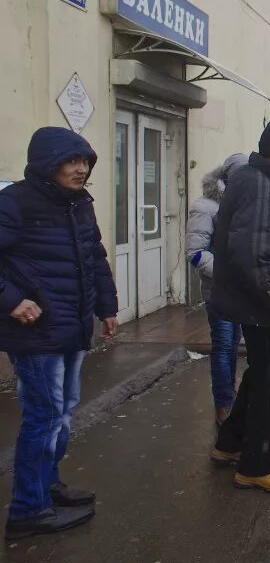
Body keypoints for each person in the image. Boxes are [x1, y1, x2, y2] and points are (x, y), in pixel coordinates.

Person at [0, 127, 118, 540]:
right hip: (34, 332)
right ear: (47, 164)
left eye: (85, 162)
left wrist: (107, 307)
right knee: (43, 417)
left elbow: (95, 257)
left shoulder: (78, 204)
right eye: (71, 162)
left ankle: (47, 487)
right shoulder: (15, 203)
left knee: (62, 412)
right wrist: (11, 300)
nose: (80, 169)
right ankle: (28, 510)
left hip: (71, 324)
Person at [209, 119, 270, 492]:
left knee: (258, 374)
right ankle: (256, 465)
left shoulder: (252, 179)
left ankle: (229, 444)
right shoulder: (261, 186)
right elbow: (253, 253)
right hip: (257, 303)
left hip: (243, 300)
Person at [186, 154, 248, 425]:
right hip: (219, 290)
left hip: (243, 292)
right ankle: (224, 404)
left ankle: (230, 396)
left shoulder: (243, 204)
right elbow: (196, 252)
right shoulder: (205, 207)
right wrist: (228, 273)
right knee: (223, 345)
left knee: (233, 344)